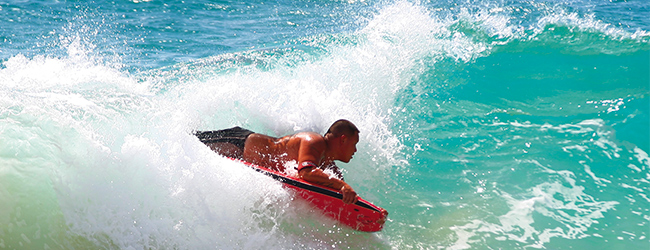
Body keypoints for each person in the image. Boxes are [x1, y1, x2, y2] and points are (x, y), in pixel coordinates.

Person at [196, 119, 361, 204]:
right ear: (343, 139)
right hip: (239, 143)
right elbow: (306, 171)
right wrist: (342, 186)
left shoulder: (328, 163)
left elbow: (334, 186)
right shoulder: (314, 141)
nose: (355, 150)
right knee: (191, 140)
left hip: (245, 152)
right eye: (354, 144)